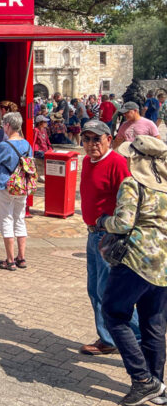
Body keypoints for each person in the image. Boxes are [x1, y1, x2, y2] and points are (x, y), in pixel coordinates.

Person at [99, 136, 167, 406]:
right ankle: (158, 386)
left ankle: (142, 380)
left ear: (136, 160)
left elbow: (124, 223)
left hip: (136, 261)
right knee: (154, 324)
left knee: (114, 314)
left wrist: (104, 221)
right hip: (163, 263)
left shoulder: (132, 184)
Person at [78, 120, 140, 356]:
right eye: (87, 139)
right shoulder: (86, 161)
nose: (91, 144)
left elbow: (130, 201)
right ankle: (107, 338)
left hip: (110, 236)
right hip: (92, 235)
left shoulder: (116, 163)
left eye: (97, 139)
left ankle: (136, 337)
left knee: (110, 291)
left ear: (109, 139)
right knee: (95, 289)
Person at [0, 112, 32, 271]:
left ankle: (10, 259)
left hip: (5, 184)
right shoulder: (27, 144)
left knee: (6, 219)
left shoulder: (3, 146)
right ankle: (21, 257)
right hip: (22, 186)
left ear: (7, 125)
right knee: (20, 218)